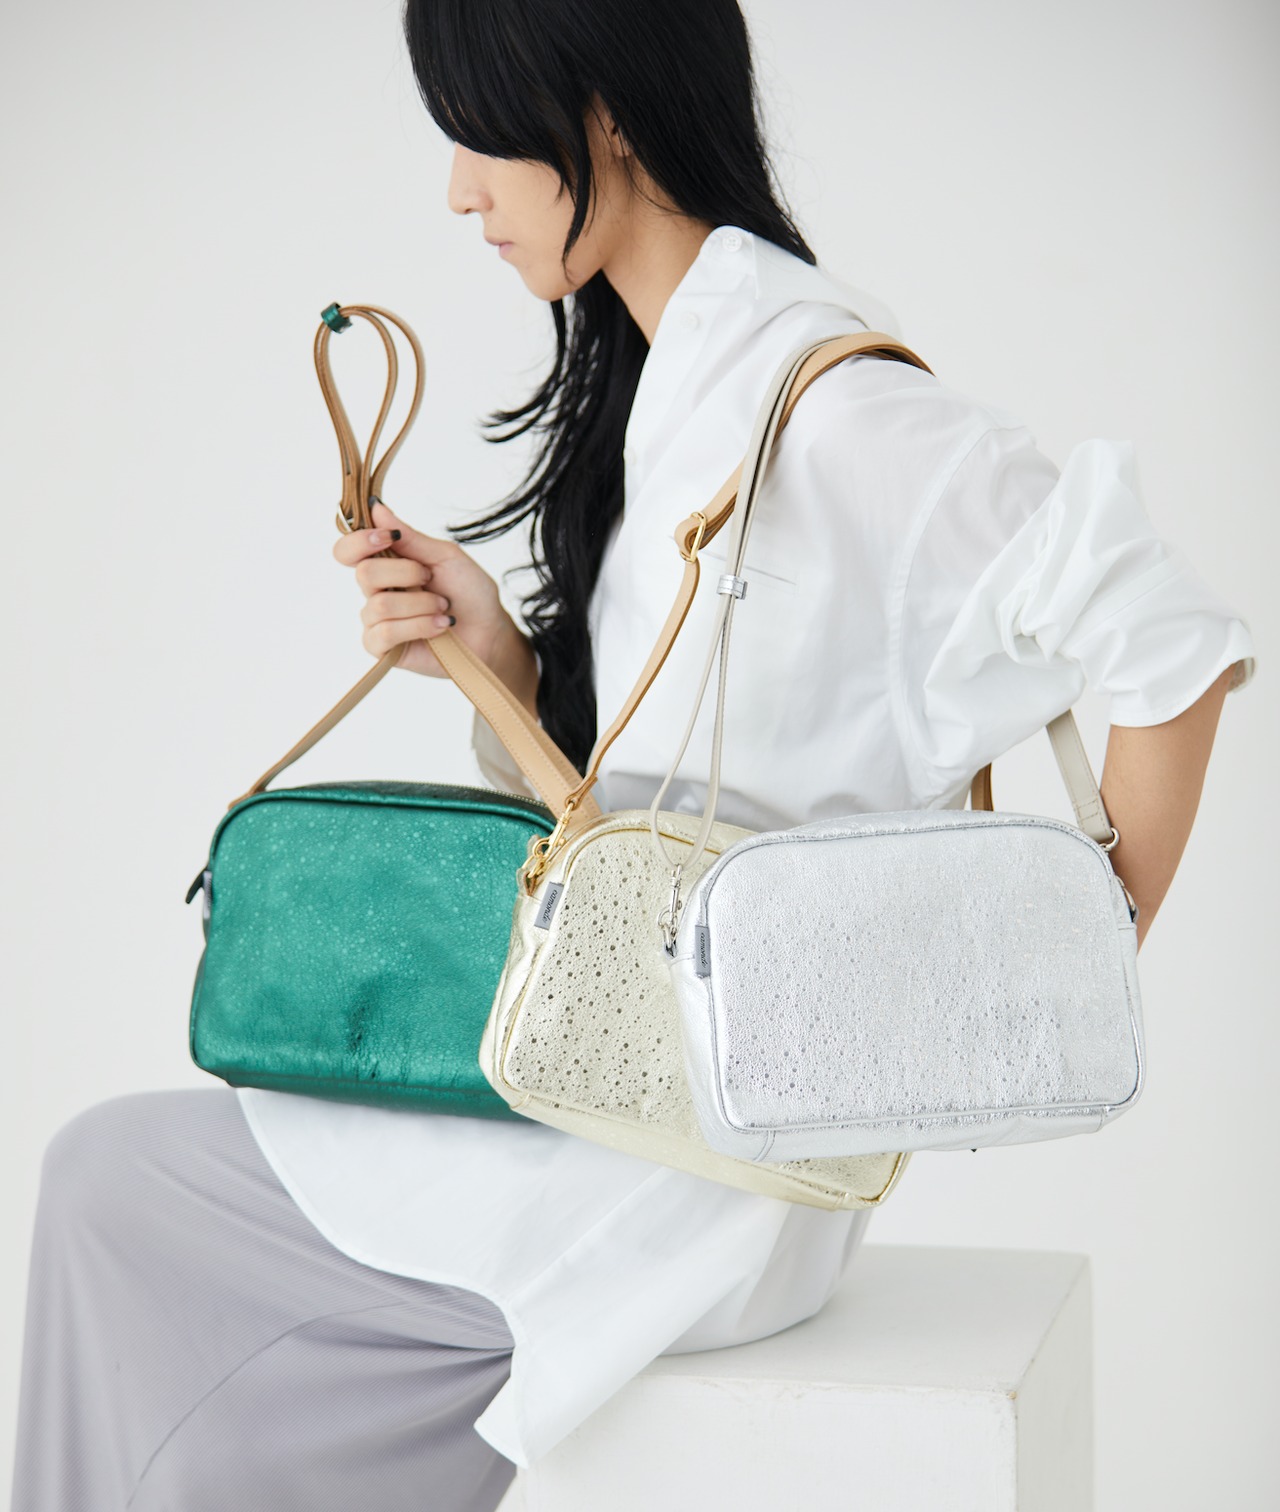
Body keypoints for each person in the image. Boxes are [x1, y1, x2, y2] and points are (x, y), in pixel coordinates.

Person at [11, 1, 1258, 1509]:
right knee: (153, 1264)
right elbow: (644, 826)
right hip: (611, 1086)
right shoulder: (680, 395)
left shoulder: (837, 412)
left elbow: (1172, 646)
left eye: (481, 133)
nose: (458, 191)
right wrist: (496, 661)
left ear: (602, 111)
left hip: (696, 1172)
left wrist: (1064, 968)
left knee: (111, 1184)